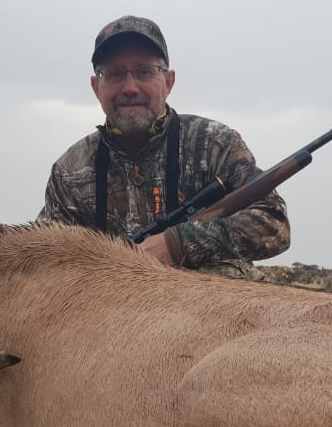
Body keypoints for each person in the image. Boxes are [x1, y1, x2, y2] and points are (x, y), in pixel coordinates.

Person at [37, 16, 290, 277]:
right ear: (96, 87)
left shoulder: (214, 144)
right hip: (109, 309)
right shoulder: (69, 171)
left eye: (144, 72)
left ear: (168, 82)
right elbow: (44, 262)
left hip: (207, 311)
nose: (130, 87)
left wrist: (178, 244)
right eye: (114, 74)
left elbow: (274, 224)